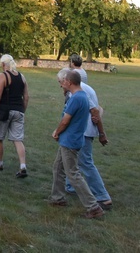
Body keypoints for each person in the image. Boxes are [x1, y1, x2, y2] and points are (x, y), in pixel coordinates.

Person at [48, 70, 104, 219]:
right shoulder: (82, 96)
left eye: (64, 81)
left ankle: (93, 207)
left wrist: (57, 132)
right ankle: (57, 198)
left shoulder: (77, 98)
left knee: (73, 174)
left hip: (70, 141)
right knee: (58, 167)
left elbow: (66, 120)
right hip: (70, 139)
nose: (62, 84)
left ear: (70, 82)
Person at [61, 69, 112, 210]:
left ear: (68, 81)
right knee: (72, 160)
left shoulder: (80, 91)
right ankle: (70, 187)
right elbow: (98, 109)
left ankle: (103, 197)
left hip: (84, 131)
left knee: (86, 163)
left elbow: (95, 111)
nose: (61, 85)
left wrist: (102, 133)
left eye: (61, 82)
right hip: (82, 130)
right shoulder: (82, 89)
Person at [0, 54, 29, 177]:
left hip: (4, 111)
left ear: (3, 64)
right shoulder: (22, 76)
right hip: (19, 110)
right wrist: (22, 110)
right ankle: (23, 166)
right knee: (18, 139)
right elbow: (26, 97)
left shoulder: (3, 75)